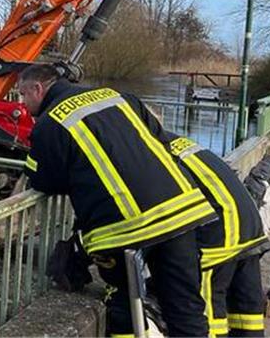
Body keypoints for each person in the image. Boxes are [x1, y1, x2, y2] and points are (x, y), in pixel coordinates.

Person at [18, 63, 215, 337]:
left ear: (38, 89)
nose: (23, 104)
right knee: (186, 306)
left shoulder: (51, 124)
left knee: (123, 305)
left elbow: (43, 180)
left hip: (125, 228)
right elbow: (160, 140)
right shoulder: (118, 97)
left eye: (23, 96)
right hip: (183, 210)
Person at [163, 135, 270, 337]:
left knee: (206, 312)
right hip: (246, 220)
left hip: (219, 230)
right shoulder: (177, 142)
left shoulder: (148, 152)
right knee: (247, 311)